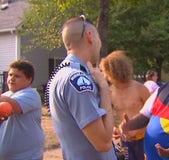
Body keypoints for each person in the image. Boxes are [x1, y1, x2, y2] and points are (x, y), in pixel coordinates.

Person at [47, 16, 116, 159]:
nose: (100, 44)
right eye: (99, 38)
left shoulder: (63, 73)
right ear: (89, 36)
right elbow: (103, 143)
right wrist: (104, 87)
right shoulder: (77, 79)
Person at [100, 50, 151, 160]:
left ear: (114, 71)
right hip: (125, 142)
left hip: (145, 139)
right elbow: (107, 116)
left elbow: (154, 116)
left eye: (105, 72)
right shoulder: (109, 92)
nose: (104, 76)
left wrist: (137, 130)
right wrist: (113, 129)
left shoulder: (140, 89)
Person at [0, 60, 44, 159]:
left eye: (17, 76)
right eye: (10, 75)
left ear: (29, 79)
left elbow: (13, 106)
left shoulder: (31, 94)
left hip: (27, 156)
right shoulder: (6, 95)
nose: (11, 79)